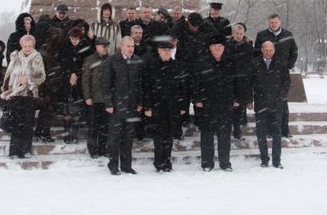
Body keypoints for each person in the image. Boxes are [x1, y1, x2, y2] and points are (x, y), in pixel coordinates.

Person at [193, 35, 239, 172]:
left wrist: (236, 98)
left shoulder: (230, 63)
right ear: (210, 48)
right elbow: (196, 83)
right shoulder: (202, 63)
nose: (217, 49)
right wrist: (197, 99)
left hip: (225, 104)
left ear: (223, 48)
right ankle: (207, 163)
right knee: (207, 135)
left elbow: (238, 83)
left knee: (224, 135)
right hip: (207, 104)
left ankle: (225, 163)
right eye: (215, 46)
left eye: (220, 46)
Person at [101, 36, 143, 175]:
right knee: (114, 137)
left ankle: (126, 165)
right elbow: (106, 83)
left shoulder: (137, 60)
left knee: (128, 137)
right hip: (116, 105)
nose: (130, 49)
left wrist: (140, 102)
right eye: (128, 46)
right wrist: (108, 103)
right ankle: (113, 165)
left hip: (132, 105)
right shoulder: (112, 61)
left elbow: (140, 84)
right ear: (121, 47)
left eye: (132, 46)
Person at [143, 40, 187, 172]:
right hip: (157, 107)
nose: (167, 52)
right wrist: (148, 107)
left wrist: (183, 106)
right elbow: (146, 88)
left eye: (169, 50)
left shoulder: (177, 66)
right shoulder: (151, 66)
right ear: (159, 51)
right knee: (158, 136)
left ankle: (167, 162)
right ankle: (159, 163)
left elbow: (183, 88)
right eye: (164, 50)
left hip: (172, 107)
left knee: (169, 136)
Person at [1, 35, 46, 159]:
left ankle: (25, 150)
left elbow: (42, 76)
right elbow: (8, 75)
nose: (27, 48)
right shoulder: (15, 57)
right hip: (15, 94)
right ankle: (14, 151)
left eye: (29, 46)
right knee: (16, 124)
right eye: (25, 46)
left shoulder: (37, 58)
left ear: (33, 46)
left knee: (28, 123)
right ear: (21, 46)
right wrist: (6, 92)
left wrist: (29, 80)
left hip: (30, 95)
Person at [254, 14, 298, 137]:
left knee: (282, 101)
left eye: (275, 22)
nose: (273, 24)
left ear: (280, 22)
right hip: (266, 71)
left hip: (281, 72)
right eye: (271, 22)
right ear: (268, 22)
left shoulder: (287, 35)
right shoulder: (262, 35)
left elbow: (294, 52)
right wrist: (260, 66)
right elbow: (256, 52)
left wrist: (288, 65)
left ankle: (284, 130)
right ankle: (268, 130)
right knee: (267, 103)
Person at [249, 40, 290, 168]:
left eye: (270, 50)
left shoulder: (281, 63)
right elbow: (249, 83)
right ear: (261, 50)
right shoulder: (254, 63)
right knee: (261, 134)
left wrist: (281, 97)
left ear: (274, 50)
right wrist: (250, 100)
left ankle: (276, 161)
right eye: (265, 50)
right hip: (261, 104)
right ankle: (264, 160)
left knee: (277, 134)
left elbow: (286, 82)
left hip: (276, 105)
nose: (268, 52)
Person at [59, 25, 94, 143]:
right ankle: (67, 133)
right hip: (67, 80)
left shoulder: (85, 47)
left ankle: (74, 132)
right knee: (67, 108)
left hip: (79, 81)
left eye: (76, 39)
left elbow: (85, 64)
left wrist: (76, 73)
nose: (74, 41)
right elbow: (63, 62)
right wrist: (70, 74)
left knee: (78, 109)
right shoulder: (65, 46)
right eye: (72, 39)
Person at [34, 25, 63, 143]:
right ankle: (44, 133)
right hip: (47, 87)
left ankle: (40, 132)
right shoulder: (48, 52)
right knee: (48, 110)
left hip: (47, 86)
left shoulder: (45, 50)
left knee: (45, 111)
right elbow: (46, 71)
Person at [82, 36, 110, 158]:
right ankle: (93, 150)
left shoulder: (110, 59)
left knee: (105, 126)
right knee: (93, 126)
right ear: (97, 46)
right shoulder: (90, 60)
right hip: (94, 99)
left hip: (106, 100)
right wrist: (87, 96)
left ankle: (103, 149)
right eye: (103, 46)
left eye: (106, 46)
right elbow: (85, 79)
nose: (105, 48)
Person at [226, 22, 254, 139]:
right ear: (233, 33)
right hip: (230, 77)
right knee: (230, 105)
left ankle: (237, 129)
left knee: (240, 105)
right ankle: (227, 130)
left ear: (244, 34)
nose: (238, 35)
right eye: (236, 33)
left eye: (241, 33)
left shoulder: (248, 45)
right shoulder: (227, 44)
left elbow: (251, 61)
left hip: (243, 79)